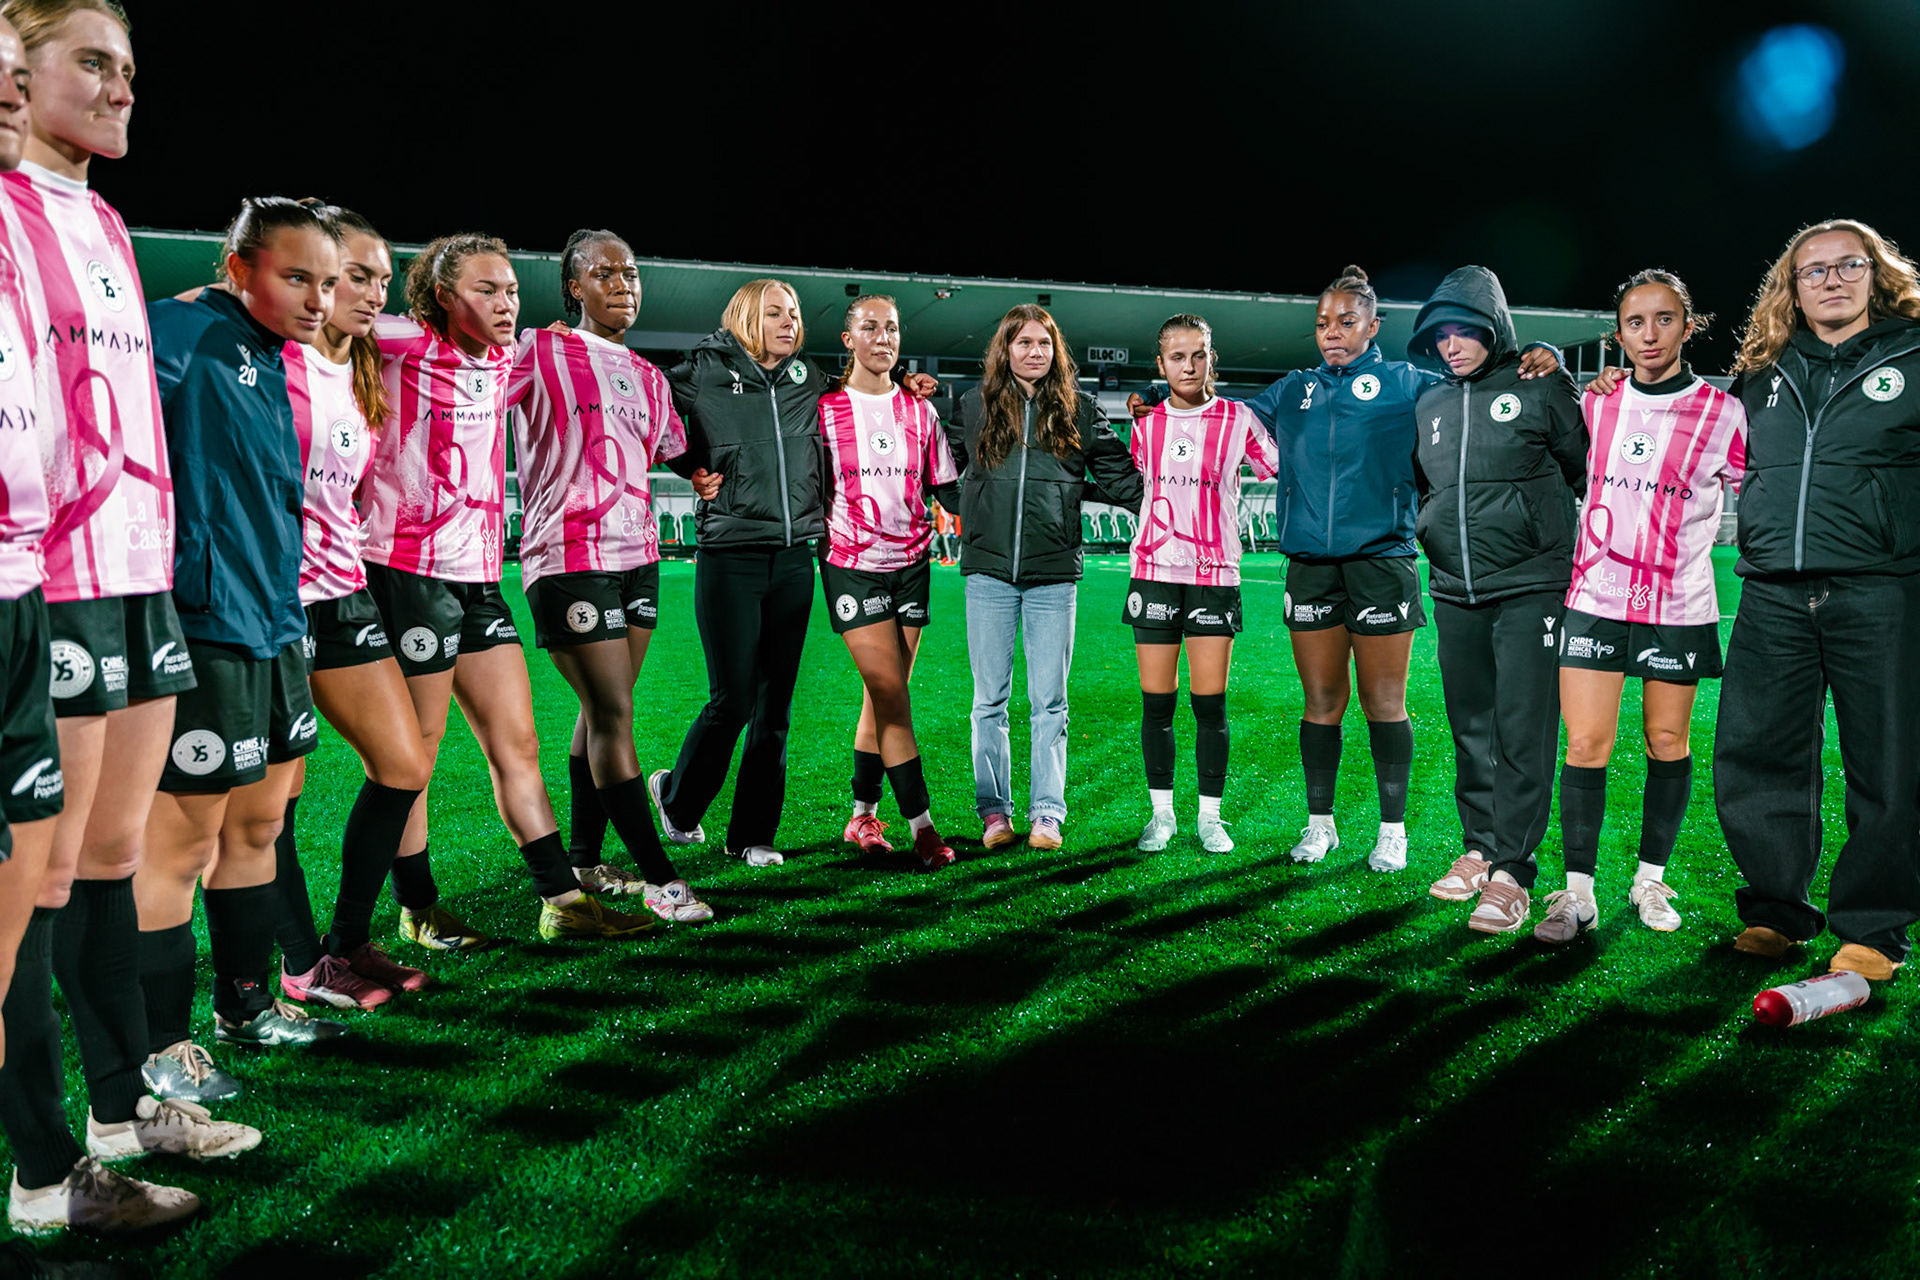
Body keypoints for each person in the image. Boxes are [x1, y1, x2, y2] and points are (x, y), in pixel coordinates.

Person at [0, 0, 222, 1237]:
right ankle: (47, 1174)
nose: (120, 87)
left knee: (112, 862)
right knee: (35, 880)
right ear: (18, 78)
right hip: (58, 576)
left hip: (141, 568)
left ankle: (122, 1118)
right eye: (92, 61)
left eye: (129, 67)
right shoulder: (6, 206)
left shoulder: (106, 220)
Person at [1130, 267, 1560, 872]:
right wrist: (1152, 399)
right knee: (1321, 702)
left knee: (1385, 703)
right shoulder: (1292, 390)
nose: (1331, 332)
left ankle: (1392, 831)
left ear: (1373, 325)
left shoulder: (1410, 383)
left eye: (1346, 321)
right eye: (1323, 323)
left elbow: (1477, 385)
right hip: (1309, 565)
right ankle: (1320, 825)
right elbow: (1211, 416)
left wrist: (1534, 359)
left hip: (1383, 562)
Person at [360, 234, 656, 946]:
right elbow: (324, 318)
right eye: (486, 291)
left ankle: (563, 901)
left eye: (512, 291)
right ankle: (418, 906)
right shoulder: (397, 341)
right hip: (407, 573)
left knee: (516, 742)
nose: (505, 304)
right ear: (441, 296)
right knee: (415, 755)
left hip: (478, 579)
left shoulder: (508, 360)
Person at [135, 197, 347, 1072]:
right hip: (204, 627)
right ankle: (160, 1045)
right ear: (238, 269)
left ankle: (247, 1008)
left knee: (257, 828)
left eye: (327, 282)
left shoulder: (274, 358)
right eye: (297, 277)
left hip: (276, 622)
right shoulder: (176, 337)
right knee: (179, 844)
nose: (318, 300)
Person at [647, 279, 937, 866]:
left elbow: (863, 387)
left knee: (774, 705)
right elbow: (648, 410)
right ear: (748, 316)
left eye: (795, 313)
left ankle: (752, 834)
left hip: (794, 560)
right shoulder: (704, 369)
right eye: (776, 313)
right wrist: (688, 465)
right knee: (731, 700)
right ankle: (676, 800)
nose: (789, 322)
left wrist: (902, 381)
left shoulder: (808, 380)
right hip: (729, 555)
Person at [1708, 219, 1920, 980]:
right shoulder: (1763, 370)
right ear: (1791, 289)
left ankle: (1873, 929)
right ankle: (1776, 911)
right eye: (1813, 271)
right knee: (1754, 755)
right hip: (1771, 593)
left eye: (1846, 266)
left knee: (1889, 768)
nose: (1830, 280)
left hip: (1883, 590)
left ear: (1876, 273)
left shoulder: (1913, 354)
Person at [1533, 270, 1745, 944]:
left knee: (1666, 741)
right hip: (1596, 597)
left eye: (1663, 319)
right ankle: (1577, 894)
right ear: (1617, 333)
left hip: (1678, 604)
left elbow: (1762, 488)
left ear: (1688, 325)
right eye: (1634, 323)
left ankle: (1650, 878)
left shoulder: (1724, 413)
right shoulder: (1597, 406)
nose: (1648, 335)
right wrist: (1547, 360)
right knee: (1588, 743)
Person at [509, 228, 711, 922]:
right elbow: (470, 396)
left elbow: (676, 452)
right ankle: (662, 879)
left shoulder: (650, 379)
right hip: (565, 554)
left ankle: (586, 861)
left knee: (603, 710)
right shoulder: (537, 350)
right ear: (575, 287)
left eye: (631, 274)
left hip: (637, 555)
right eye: (606, 274)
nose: (624, 284)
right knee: (614, 715)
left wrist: (705, 476)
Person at [271, 204, 432, 1007]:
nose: (374, 294)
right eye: (355, 277)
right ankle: (303, 967)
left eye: (380, 278)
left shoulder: (364, 365)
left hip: (345, 590)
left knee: (403, 763)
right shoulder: (268, 360)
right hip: (275, 601)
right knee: (277, 798)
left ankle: (348, 941)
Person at [1408, 266, 1586, 933]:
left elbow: (1582, 467)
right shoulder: (1427, 405)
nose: (1453, 345)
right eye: (1442, 336)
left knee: (1523, 727)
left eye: (1466, 331)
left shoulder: (1540, 387)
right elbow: (1424, 487)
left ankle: (1514, 870)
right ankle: (1479, 849)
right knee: (1471, 728)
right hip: (1455, 588)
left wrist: (1560, 368)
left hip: (1531, 585)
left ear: (1494, 329)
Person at [951, 304, 1142, 851]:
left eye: (1043, 343)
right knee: (989, 701)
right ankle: (994, 813)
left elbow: (1122, 479)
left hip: (1054, 574)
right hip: (988, 572)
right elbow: (939, 469)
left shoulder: (1080, 410)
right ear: (1004, 349)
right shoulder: (973, 404)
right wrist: (974, 512)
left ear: (1055, 351)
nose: (1034, 353)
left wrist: (1172, 481)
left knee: (1050, 703)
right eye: (1023, 343)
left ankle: (1047, 814)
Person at [817, 295, 959, 870]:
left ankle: (861, 815)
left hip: (912, 566)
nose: (884, 337)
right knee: (893, 699)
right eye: (870, 327)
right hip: (851, 563)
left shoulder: (921, 413)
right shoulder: (822, 408)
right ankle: (923, 827)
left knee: (884, 698)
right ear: (848, 339)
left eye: (893, 328)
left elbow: (948, 488)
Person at [1126, 314, 1278, 854]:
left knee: (1209, 704)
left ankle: (1210, 818)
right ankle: (1161, 816)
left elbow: (1283, 470)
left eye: (1198, 354)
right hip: (1154, 572)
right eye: (1176, 357)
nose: (1188, 366)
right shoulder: (1144, 425)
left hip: (1214, 575)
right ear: (1161, 363)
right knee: (1157, 704)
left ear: (1211, 357)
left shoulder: (1240, 419)